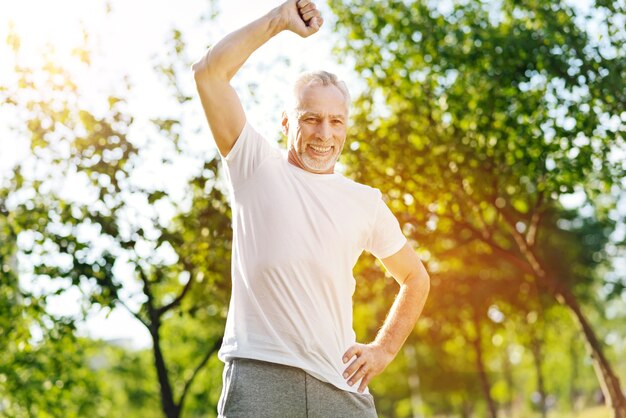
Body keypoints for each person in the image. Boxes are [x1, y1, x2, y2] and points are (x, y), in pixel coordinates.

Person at [192, 0, 430, 416]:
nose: (324, 133)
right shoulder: (254, 165)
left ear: (346, 127)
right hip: (261, 376)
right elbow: (208, 74)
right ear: (286, 122)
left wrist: (383, 350)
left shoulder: (365, 201)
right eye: (310, 119)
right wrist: (279, 21)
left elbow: (415, 277)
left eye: (335, 121)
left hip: (340, 383)